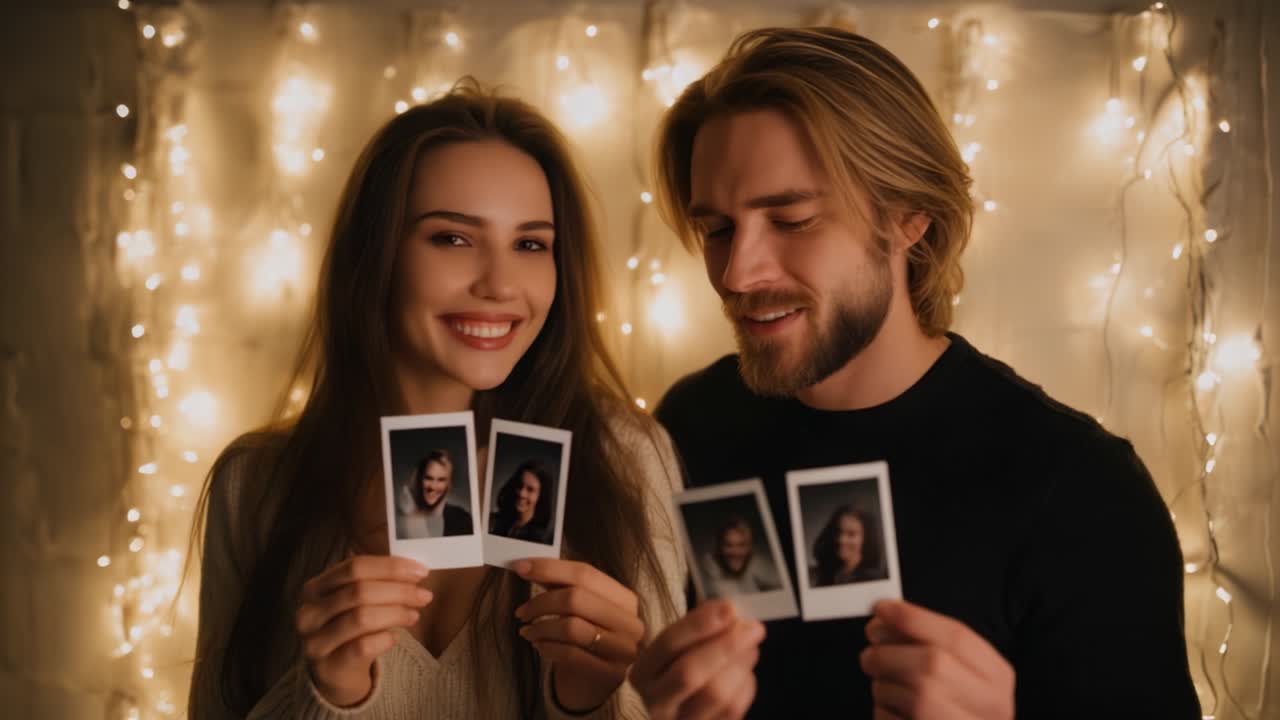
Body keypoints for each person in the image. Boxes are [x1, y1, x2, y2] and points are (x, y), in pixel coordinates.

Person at [630, 27, 1199, 720]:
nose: (737, 273)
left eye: (792, 218)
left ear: (909, 219)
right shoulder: (691, 423)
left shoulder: (1079, 491)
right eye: (717, 229)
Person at [188, 79, 685, 719]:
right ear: (377, 256)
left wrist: (588, 702)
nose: (501, 284)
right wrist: (329, 693)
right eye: (452, 238)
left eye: (530, 244)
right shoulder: (257, 482)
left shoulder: (624, 457)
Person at [396, 449, 474, 539]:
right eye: (428, 478)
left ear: (449, 484)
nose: (433, 487)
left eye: (441, 480)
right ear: (420, 479)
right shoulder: (403, 516)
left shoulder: (462, 519)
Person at [701, 514, 779, 598]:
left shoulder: (755, 565)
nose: (735, 552)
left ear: (749, 548)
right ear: (719, 547)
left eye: (741, 545)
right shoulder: (711, 575)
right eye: (728, 545)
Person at [809, 505, 883, 587]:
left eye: (851, 534)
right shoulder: (815, 576)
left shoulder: (876, 580)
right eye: (837, 532)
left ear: (866, 539)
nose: (841, 540)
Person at [489, 460, 554, 544]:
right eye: (519, 485)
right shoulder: (492, 522)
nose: (521, 493)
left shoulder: (542, 540)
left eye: (530, 490)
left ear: (541, 496)